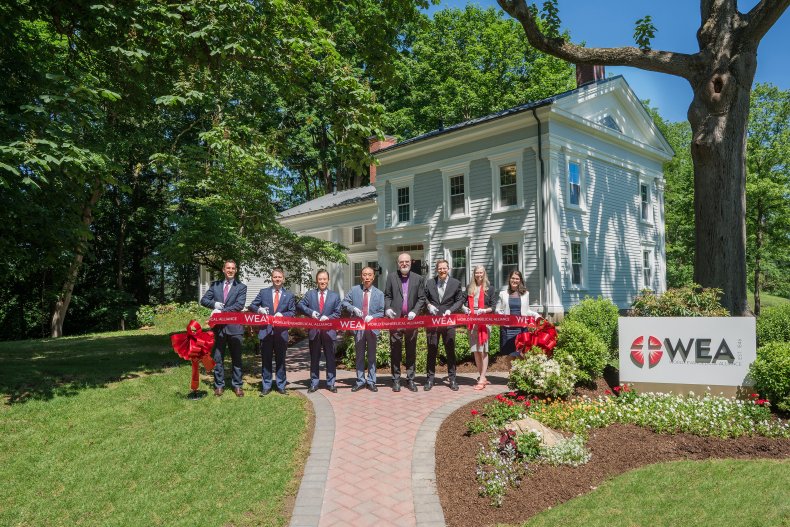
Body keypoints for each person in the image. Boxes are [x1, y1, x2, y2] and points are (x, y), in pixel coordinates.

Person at [199, 260, 247, 397]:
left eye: (233, 268)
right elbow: (204, 300)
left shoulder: (241, 287)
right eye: (228, 268)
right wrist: (215, 304)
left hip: (235, 328)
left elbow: (239, 305)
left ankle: (237, 385)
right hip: (219, 329)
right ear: (223, 270)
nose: (230, 270)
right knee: (218, 357)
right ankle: (219, 386)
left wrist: (223, 311)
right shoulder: (215, 285)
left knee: (236, 358)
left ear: (236, 270)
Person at [248, 268, 296, 395]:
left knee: (281, 360)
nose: (277, 279)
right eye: (275, 277)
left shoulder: (289, 295)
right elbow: (252, 305)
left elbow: (292, 312)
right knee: (266, 359)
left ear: (283, 279)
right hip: (266, 331)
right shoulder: (263, 292)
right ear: (271, 278)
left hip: (281, 333)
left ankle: (281, 385)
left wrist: (283, 314)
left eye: (280, 277)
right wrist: (259, 310)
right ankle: (266, 385)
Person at [384, 252, 426, 392]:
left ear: (411, 262)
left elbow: (421, 298)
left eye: (407, 261)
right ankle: (396, 379)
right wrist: (388, 308)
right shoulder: (391, 277)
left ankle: (410, 379)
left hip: (411, 321)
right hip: (395, 321)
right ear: (398, 263)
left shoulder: (418, 278)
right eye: (401, 262)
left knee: (411, 351)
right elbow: (388, 295)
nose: (404, 264)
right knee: (395, 350)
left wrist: (415, 311)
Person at [423, 259, 465, 391]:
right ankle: (430, 379)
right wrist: (429, 306)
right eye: (439, 268)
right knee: (431, 350)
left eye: (444, 268)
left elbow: (460, 300)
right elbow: (423, 297)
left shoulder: (456, 283)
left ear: (448, 269)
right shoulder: (430, 283)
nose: (442, 271)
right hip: (433, 322)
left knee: (450, 351)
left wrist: (451, 310)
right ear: (437, 269)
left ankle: (452, 379)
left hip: (448, 322)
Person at [341, 266, 385, 392]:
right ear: (361, 276)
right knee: (359, 356)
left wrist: (373, 316)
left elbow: (381, 312)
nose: (367, 277)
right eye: (365, 274)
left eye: (369, 275)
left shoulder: (379, 293)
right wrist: (353, 308)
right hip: (358, 329)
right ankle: (360, 381)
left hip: (372, 329)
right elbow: (344, 302)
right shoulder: (354, 290)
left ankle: (371, 381)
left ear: (373, 277)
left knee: (372, 356)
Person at [297, 269, 341, 393]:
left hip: (329, 332)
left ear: (328, 280)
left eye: (324, 279)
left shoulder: (335, 295)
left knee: (330, 358)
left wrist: (329, 318)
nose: (322, 281)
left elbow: (338, 313)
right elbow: (300, 305)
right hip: (314, 332)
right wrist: (311, 313)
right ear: (317, 280)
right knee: (314, 358)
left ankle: (331, 383)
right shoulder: (310, 294)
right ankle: (314, 383)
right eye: (320, 279)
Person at [466, 265, 497, 390]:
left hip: (484, 322)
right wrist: (465, 308)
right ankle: (482, 377)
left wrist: (484, 310)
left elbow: (494, 306)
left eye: (481, 272)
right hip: (472, 322)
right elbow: (463, 302)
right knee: (476, 350)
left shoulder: (490, 289)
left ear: (484, 274)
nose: (479, 275)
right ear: (474, 274)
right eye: (477, 273)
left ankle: (482, 378)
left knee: (483, 350)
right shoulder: (470, 288)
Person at [496, 270, 536, 356]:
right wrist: (503, 315)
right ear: (509, 279)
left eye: (517, 279)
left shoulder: (526, 294)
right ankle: (510, 370)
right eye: (513, 278)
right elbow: (497, 310)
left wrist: (536, 315)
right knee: (509, 355)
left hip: (521, 329)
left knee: (521, 354)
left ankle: (517, 370)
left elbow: (527, 310)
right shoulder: (503, 294)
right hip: (507, 329)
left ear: (520, 280)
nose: (514, 280)